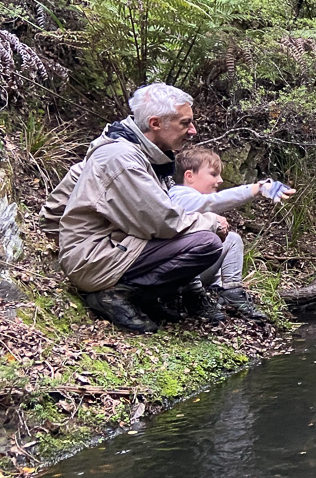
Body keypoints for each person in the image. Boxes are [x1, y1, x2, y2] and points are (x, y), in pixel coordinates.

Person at [49, 83, 230, 333]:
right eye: (185, 123)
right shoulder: (121, 158)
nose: (193, 130)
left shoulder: (130, 150)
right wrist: (211, 221)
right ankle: (117, 295)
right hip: (95, 259)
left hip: (102, 251)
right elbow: (163, 222)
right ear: (155, 123)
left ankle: (148, 297)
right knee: (206, 242)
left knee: (197, 236)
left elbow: (52, 210)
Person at [169, 147, 295, 321]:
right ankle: (194, 296)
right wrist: (257, 188)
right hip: (175, 278)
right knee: (206, 236)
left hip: (189, 273)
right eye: (213, 174)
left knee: (232, 240)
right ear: (189, 176)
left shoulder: (194, 200)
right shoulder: (178, 195)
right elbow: (212, 202)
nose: (220, 180)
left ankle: (231, 292)